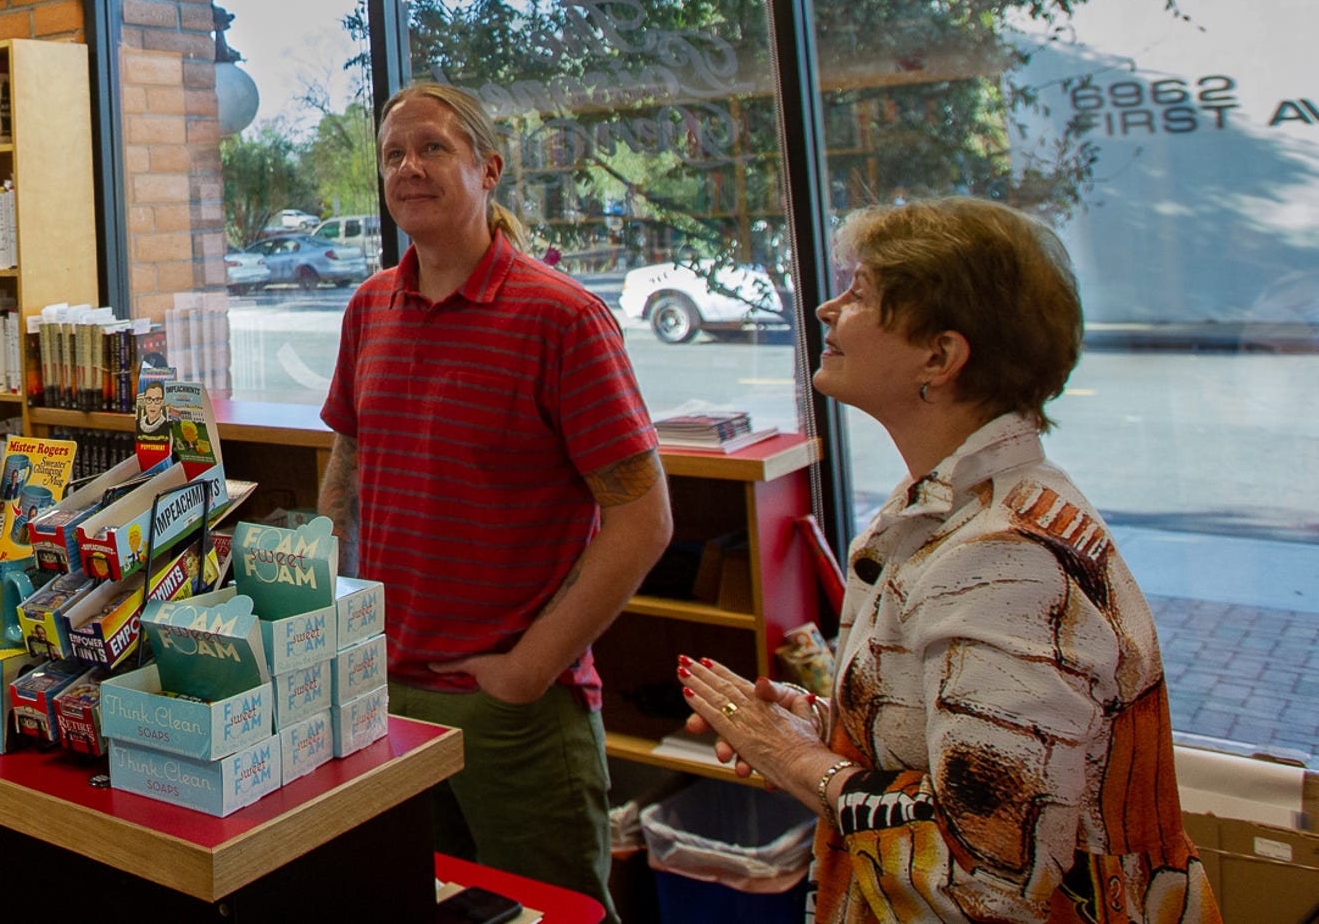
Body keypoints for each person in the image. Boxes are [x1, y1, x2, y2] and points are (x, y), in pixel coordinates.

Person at [677, 199, 1215, 924]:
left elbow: (992, 866)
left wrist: (801, 762)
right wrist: (822, 728)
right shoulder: (951, 504)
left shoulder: (1007, 560)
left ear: (941, 355)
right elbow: (953, 749)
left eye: (861, 294)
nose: (828, 309)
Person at [321, 83, 670, 917]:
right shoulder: (371, 307)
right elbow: (347, 470)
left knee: (554, 916)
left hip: (511, 709)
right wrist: (330, 626)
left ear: (489, 168)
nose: (409, 167)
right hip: (382, 693)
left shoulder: (563, 318)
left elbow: (643, 518)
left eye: (433, 148)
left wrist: (525, 669)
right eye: (393, 154)